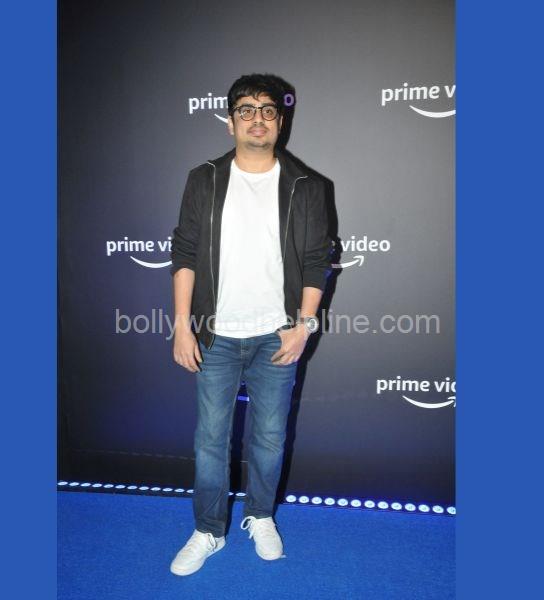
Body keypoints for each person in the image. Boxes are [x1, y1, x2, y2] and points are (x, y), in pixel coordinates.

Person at [168, 73, 332, 576]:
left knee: (269, 438)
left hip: (276, 336)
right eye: (246, 109)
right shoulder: (204, 179)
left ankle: (261, 516)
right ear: (230, 121)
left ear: (280, 122)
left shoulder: (308, 186)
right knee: (209, 441)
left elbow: (315, 262)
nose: (257, 118)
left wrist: (303, 326)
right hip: (215, 335)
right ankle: (208, 530)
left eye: (267, 110)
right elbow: (185, 252)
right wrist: (182, 325)